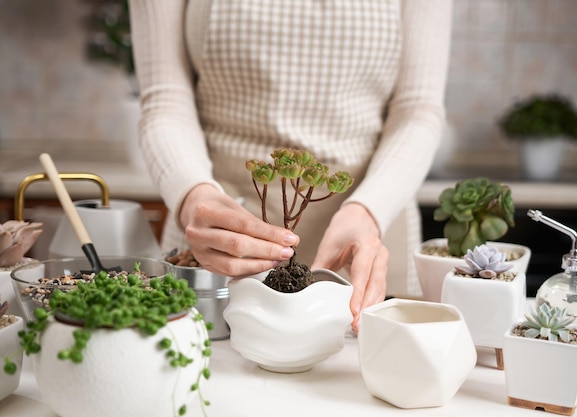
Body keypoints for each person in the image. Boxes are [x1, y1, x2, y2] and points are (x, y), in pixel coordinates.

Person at [128, 0, 452, 331]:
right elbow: (165, 98)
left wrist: (368, 211)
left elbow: (417, 108)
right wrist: (194, 195)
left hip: (368, 227)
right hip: (216, 234)